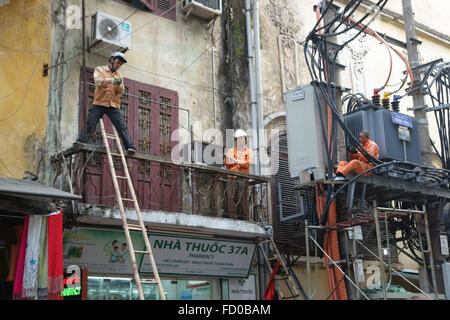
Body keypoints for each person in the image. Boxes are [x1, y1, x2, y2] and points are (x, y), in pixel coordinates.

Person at [77, 52, 137, 154]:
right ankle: (81, 141)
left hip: (113, 104)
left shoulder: (119, 76)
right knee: (90, 122)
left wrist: (119, 85)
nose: (118, 66)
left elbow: (120, 92)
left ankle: (130, 147)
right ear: (112, 60)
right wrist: (111, 80)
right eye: (118, 62)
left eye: (120, 64)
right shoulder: (100, 69)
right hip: (99, 102)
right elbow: (98, 81)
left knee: (121, 125)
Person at [223, 129, 253, 219]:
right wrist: (231, 160)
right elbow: (227, 163)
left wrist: (236, 161)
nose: (239, 140)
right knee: (231, 197)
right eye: (237, 139)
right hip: (231, 177)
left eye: (241, 139)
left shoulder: (249, 152)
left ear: (245, 140)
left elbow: (247, 164)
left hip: (243, 178)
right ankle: (233, 215)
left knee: (243, 197)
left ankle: (244, 216)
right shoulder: (231, 151)